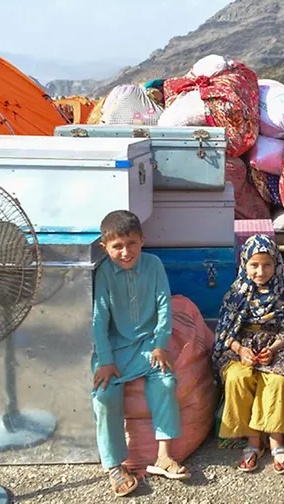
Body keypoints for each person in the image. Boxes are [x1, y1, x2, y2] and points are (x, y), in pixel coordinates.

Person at [91, 210, 189, 498]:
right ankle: (114, 466)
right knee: (104, 395)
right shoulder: (104, 273)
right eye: (117, 246)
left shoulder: (154, 265)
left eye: (131, 243)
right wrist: (106, 360)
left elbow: (164, 307)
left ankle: (164, 455)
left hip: (149, 343)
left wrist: (161, 343)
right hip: (116, 347)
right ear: (104, 247)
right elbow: (99, 319)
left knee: (166, 381)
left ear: (142, 240)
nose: (125, 252)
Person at [212, 235, 284, 475]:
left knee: (278, 381)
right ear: (244, 264)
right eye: (254, 265)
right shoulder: (235, 293)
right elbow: (224, 331)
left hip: (276, 346)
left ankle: (276, 440)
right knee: (238, 378)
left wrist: (272, 349)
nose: (261, 271)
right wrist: (240, 350)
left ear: (276, 264)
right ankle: (253, 441)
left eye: (267, 265)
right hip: (241, 347)